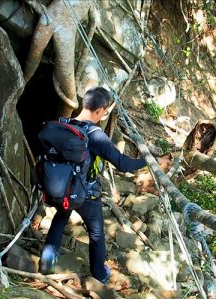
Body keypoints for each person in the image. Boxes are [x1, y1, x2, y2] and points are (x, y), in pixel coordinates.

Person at [39, 87, 147, 284]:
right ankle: (99, 273)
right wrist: (148, 161)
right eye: (104, 112)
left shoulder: (66, 124)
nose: (104, 116)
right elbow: (123, 164)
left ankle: (46, 263)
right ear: (100, 110)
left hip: (62, 189)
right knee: (96, 233)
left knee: (60, 217)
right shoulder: (96, 135)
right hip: (86, 195)